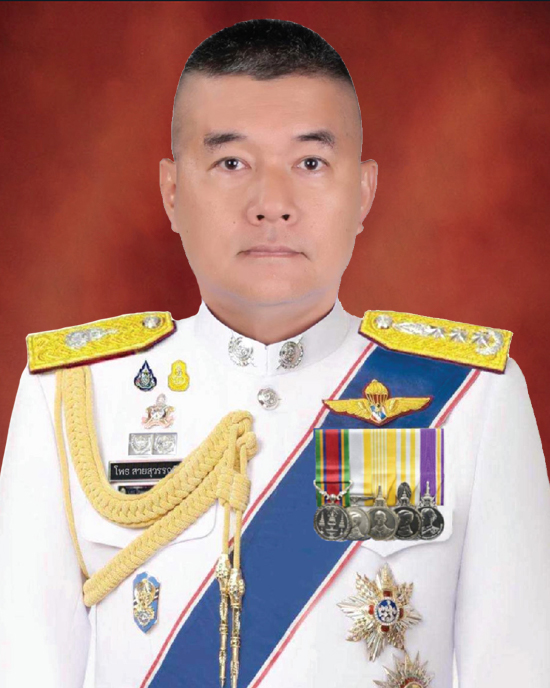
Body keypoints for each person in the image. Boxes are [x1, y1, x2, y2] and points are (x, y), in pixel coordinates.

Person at [1, 17, 549, 688]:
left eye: (310, 163)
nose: (272, 204)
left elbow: (520, 668)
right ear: (172, 192)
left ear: (364, 192)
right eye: (232, 163)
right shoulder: (73, 395)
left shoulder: (471, 398)